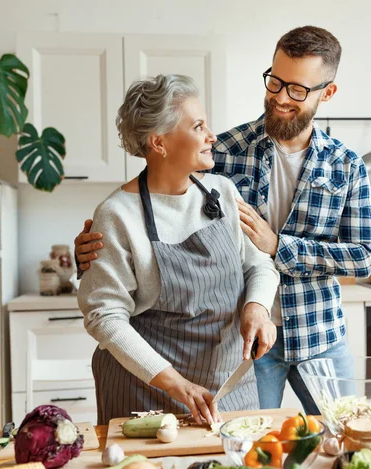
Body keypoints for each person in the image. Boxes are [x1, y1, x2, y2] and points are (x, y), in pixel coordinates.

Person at [75, 26, 371, 414]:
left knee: (345, 439)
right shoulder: (225, 152)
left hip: (316, 332)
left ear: (327, 93)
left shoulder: (346, 165)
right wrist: (91, 252)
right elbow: (147, 213)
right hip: (244, 348)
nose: (281, 97)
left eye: (297, 89)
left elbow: (361, 257)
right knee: (248, 446)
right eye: (275, 81)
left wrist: (277, 251)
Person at [77, 74, 279, 426]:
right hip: (145, 391)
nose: (211, 136)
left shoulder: (223, 192)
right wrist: (176, 384)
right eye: (198, 126)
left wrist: (257, 309)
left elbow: (259, 264)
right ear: (159, 142)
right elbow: (105, 317)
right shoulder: (118, 215)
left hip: (227, 388)